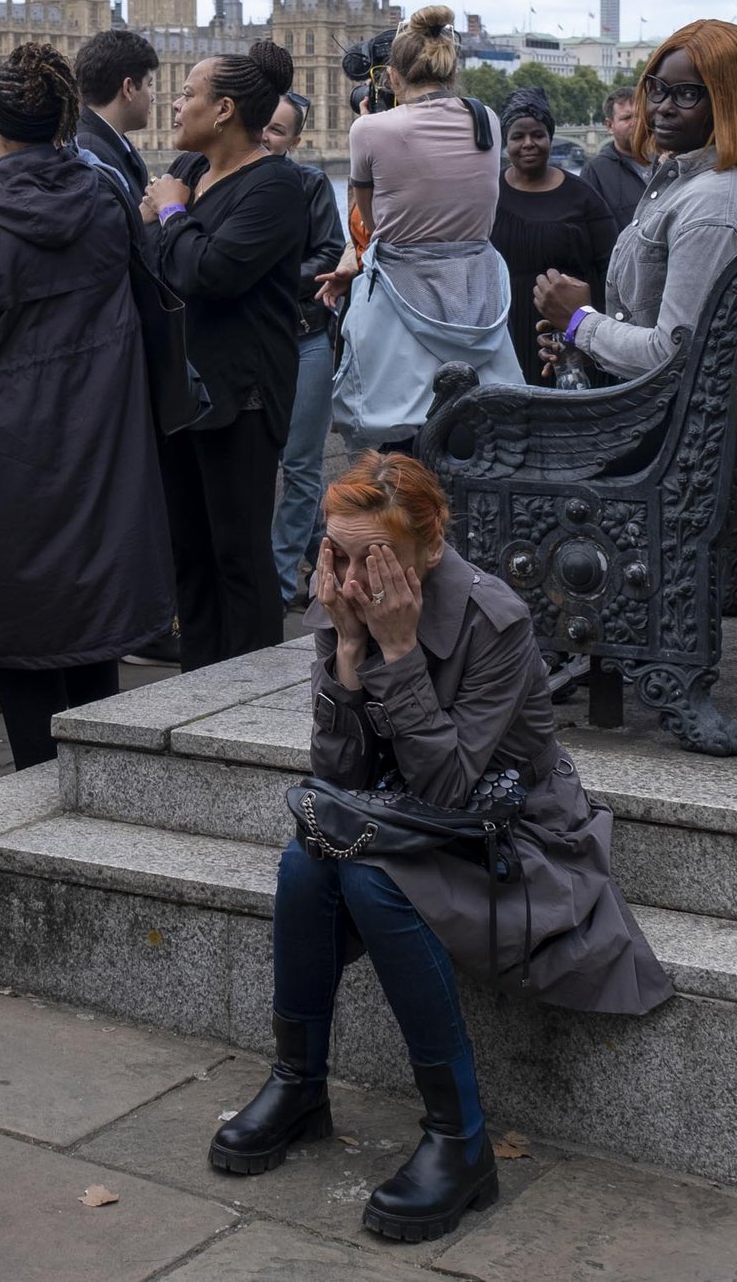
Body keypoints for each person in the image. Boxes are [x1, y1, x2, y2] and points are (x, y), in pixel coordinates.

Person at [209, 453, 672, 1244]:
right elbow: (339, 774)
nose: (348, 577)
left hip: (512, 838)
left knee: (373, 882)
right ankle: (298, 1084)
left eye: (369, 557)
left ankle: (461, 1141)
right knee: (305, 859)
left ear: (425, 549)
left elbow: (451, 788)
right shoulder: (351, 602)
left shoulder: (495, 620)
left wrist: (398, 652)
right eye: (336, 553)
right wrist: (348, 657)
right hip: (411, 828)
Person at [0, 42, 175, 767]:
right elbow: (152, 314)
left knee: (26, 655)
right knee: (96, 648)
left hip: (3, 471)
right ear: (64, 125)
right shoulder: (109, 200)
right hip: (105, 457)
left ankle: (39, 805)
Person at [141, 40, 308, 668]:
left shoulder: (275, 186)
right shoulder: (187, 175)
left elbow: (210, 274)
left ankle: (250, 693)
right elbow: (155, 265)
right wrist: (165, 219)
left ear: (225, 110)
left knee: (238, 554)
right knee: (190, 555)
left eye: (187, 93)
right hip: (181, 395)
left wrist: (172, 218)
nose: (175, 103)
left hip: (240, 397)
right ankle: (197, 686)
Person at [531, 20, 737, 383]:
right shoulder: (696, 186)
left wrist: (580, 320)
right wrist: (587, 343)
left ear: (731, 103)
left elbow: (673, 355)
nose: (662, 107)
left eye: (687, 94)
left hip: (674, 434)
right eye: (658, 89)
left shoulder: (712, 208)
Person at [321, 5, 522, 447]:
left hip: (400, 296)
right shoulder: (485, 118)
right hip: (477, 290)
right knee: (479, 426)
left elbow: (371, 223)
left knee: (398, 436)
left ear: (392, 77)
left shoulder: (369, 130)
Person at [264, 91, 347, 609]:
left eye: (278, 130)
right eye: (262, 124)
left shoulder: (310, 183)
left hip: (304, 337)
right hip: (248, 343)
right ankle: (326, 557)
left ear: (296, 140)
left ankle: (273, 583)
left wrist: (263, 276)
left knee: (300, 464)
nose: (266, 136)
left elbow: (329, 255)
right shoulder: (211, 177)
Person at [489, 86, 616, 383]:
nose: (529, 143)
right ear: (506, 143)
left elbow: (610, 269)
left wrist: (588, 333)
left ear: (550, 137)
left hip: (568, 335)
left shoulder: (583, 197)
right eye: (518, 136)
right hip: (505, 333)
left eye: (538, 135)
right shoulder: (489, 193)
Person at [72, 27, 159, 200]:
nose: (153, 97)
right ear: (128, 88)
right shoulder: (89, 155)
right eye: (149, 85)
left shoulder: (109, 142)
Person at [582, 86, 650, 228]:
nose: (636, 123)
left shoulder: (669, 162)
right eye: (626, 118)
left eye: (640, 116)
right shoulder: (595, 172)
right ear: (609, 125)